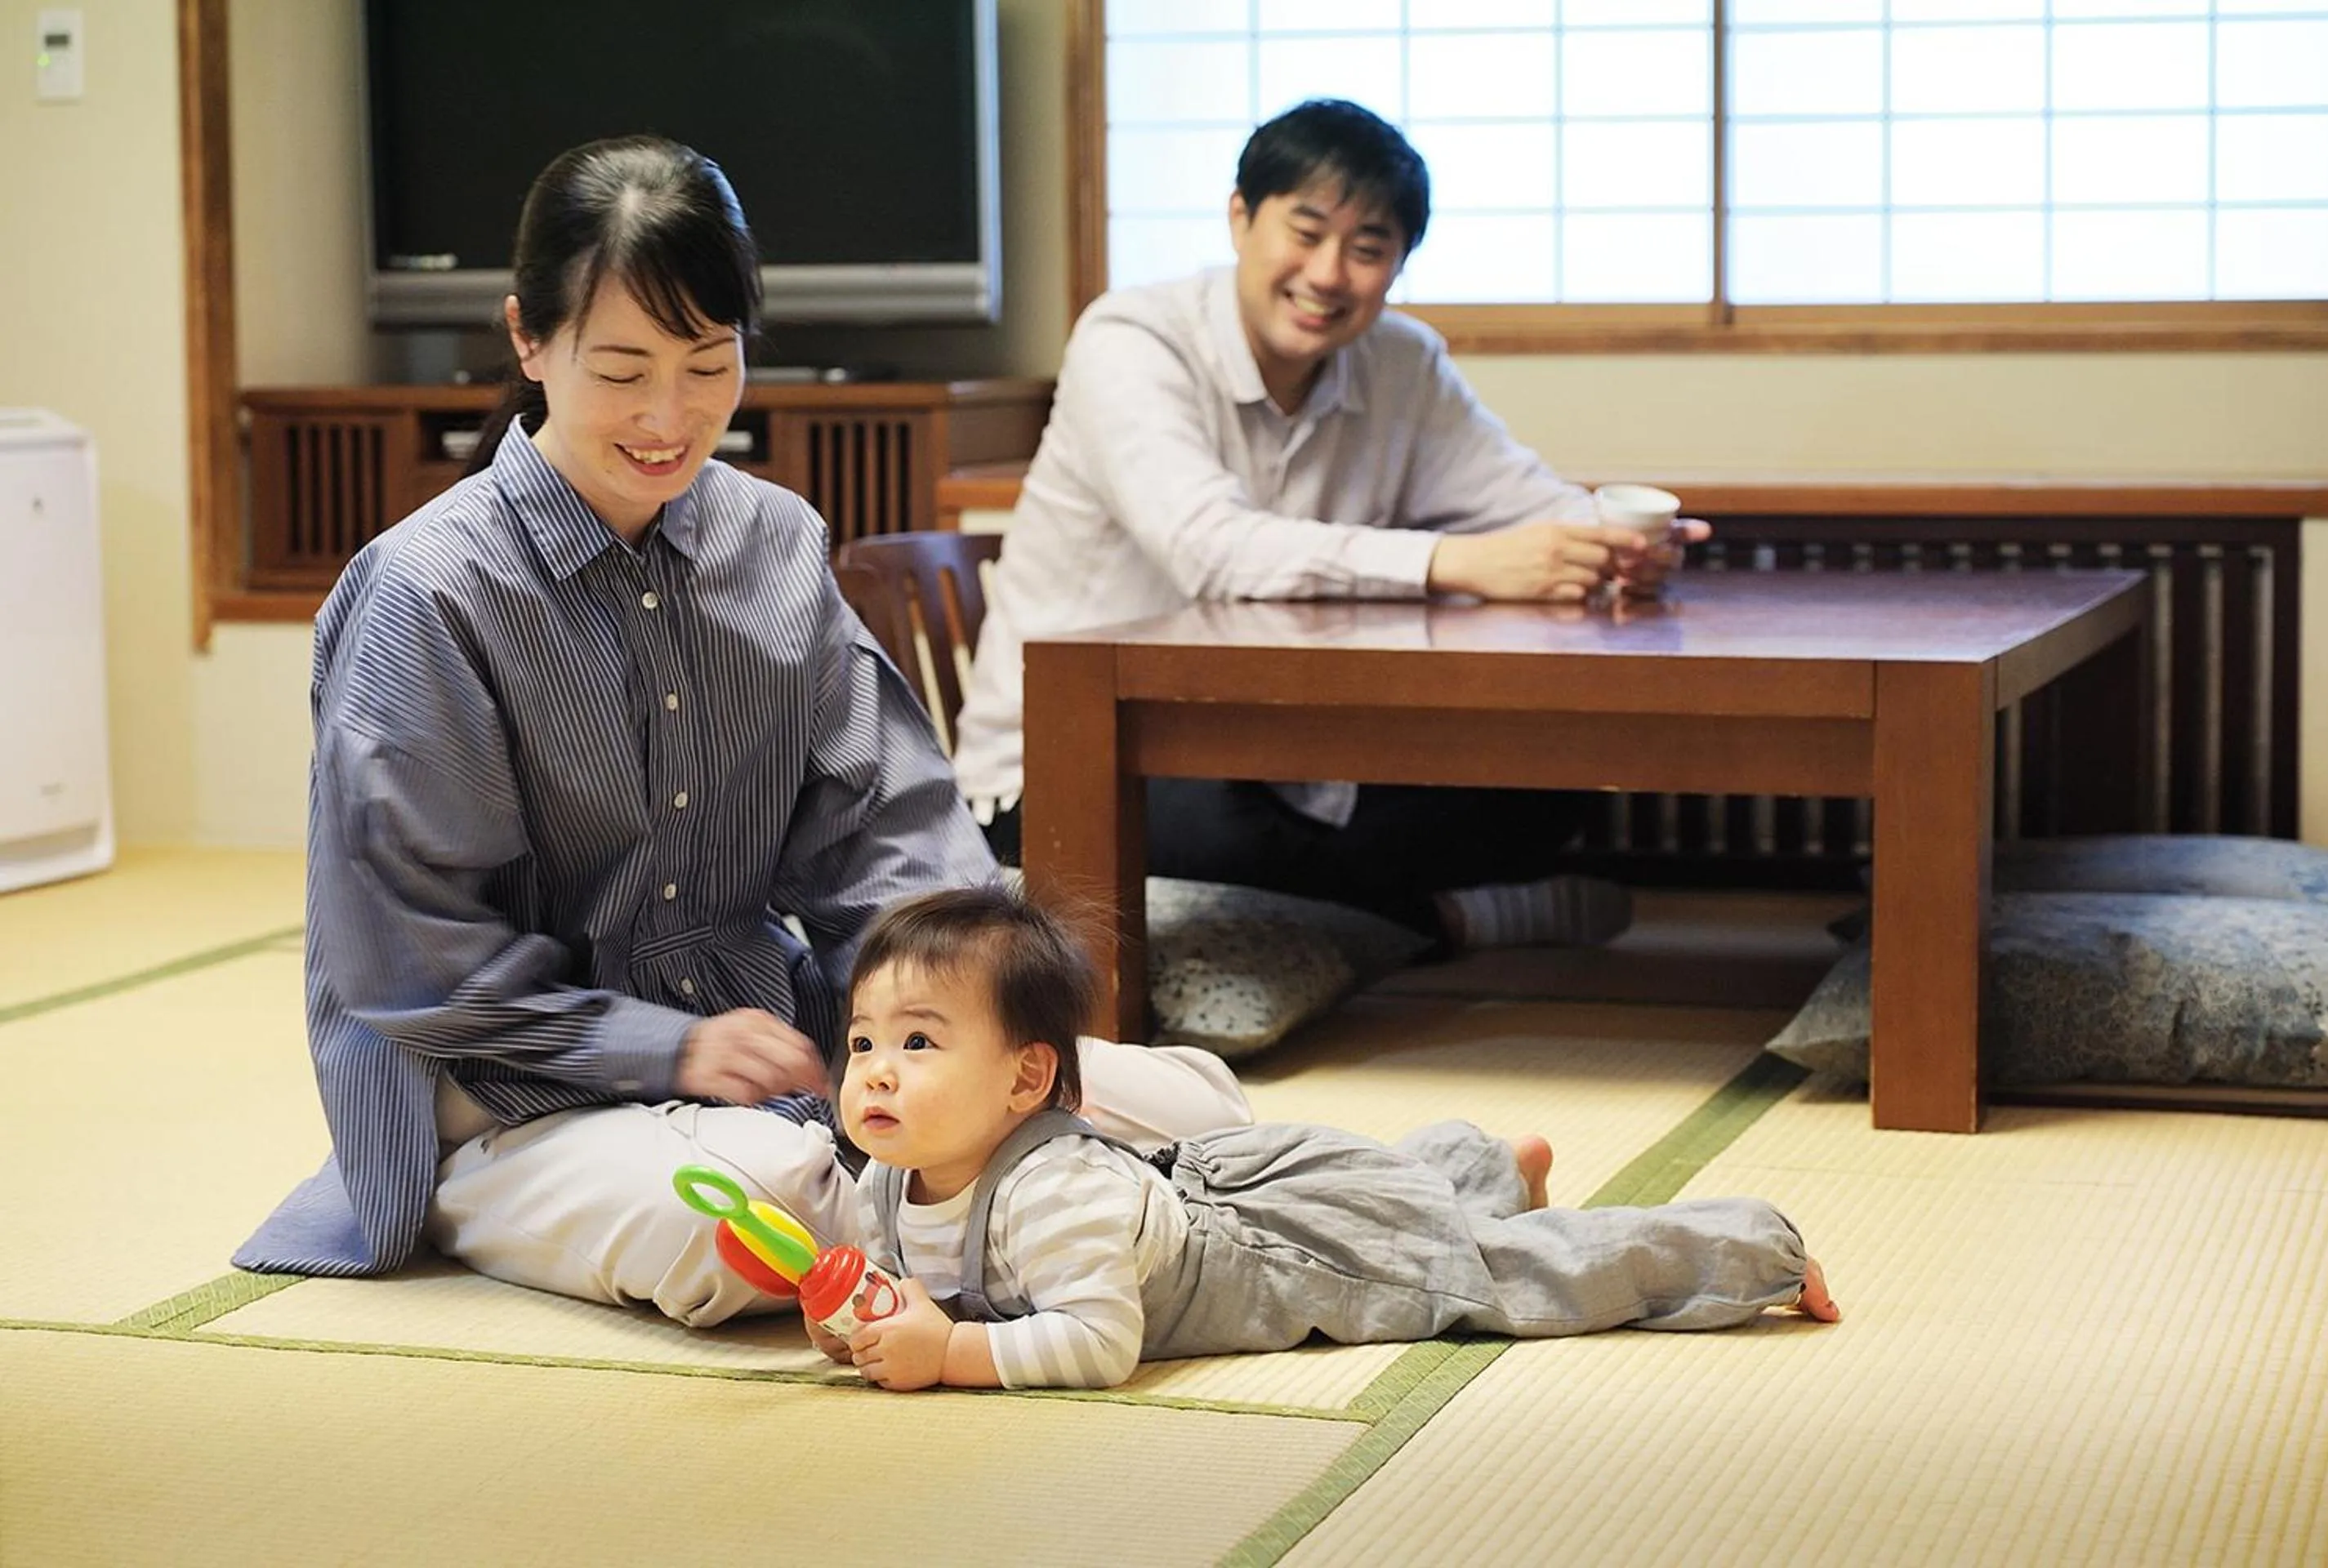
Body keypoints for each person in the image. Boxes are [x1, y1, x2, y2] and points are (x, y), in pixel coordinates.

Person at [233, 136, 1249, 1325]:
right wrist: (667, 1051)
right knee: (758, 1204)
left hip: (785, 1043)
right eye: (622, 371)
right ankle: (481, 1203)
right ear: (528, 339)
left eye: (709, 364)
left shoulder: (774, 542)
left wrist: (954, 1029)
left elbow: (889, 830)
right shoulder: (426, 593)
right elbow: (410, 964)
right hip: (517, 1090)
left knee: (1186, 1103)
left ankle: (1012, 1206)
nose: (670, 417)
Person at [955, 97, 1714, 956]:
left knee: (1551, 784)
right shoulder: (1134, 338)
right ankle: (1446, 921)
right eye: (1305, 231)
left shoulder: (1402, 362)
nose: (1327, 273)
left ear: (1398, 265)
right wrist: (1458, 564)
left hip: (1289, 752)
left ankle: (1379, 913)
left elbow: (1523, 499)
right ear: (1242, 218)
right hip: (1077, 761)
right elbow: (1212, 548)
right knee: (1222, 834)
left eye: (1368, 248)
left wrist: (1620, 542)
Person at [818, 886, 1838, 1392]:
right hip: (1220, 1206)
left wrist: (952, 1354)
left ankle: (1745, 1249)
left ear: (1028, 1077)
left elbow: (1099, 1341)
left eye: (919, 1042)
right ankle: (1479, 1165)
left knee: (1498, 1283)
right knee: (1404, 1206)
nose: (875, 1067)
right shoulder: (884, 1181)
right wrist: (858, 1327)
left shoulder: (1055, 1193)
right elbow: (912, 1293)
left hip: (1280, 1265)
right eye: (864, 1039)